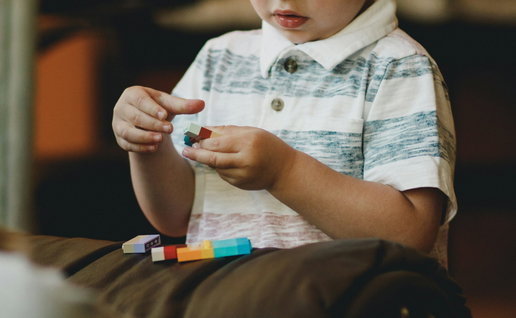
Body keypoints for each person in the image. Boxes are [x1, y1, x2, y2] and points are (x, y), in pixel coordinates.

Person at [112, 0, 457, 266]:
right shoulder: (220, 57)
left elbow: (410, 233)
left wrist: (285, 171)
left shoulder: (398, 67)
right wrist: (148, 143)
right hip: (220, 297)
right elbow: (176, 216)